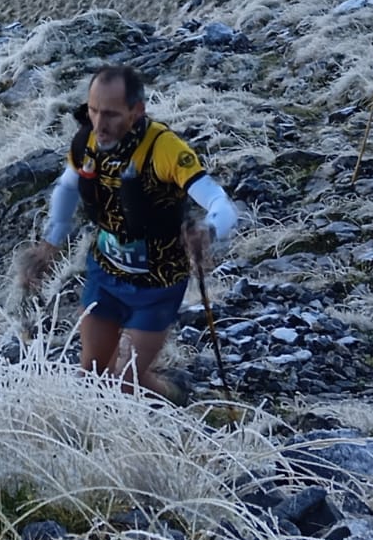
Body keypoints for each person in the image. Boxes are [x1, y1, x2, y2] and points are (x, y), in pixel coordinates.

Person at [20, 65, 239, 402]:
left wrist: (209, 230)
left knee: (125, 381)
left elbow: (220, 202)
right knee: (91, 374)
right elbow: (67, 187)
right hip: (105, 273)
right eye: (93, 111)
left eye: (110, 114)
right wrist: (51, 243)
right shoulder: (87, 142)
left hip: (158, 283)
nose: (99, 124)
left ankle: (175, 395)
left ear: (138, 111)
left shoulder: (165, 149)